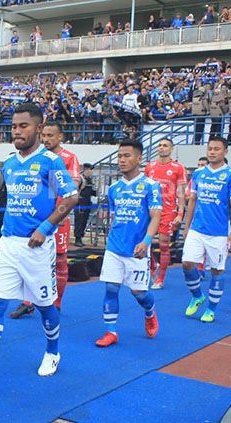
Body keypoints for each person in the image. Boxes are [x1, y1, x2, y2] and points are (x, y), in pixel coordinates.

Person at [0, 103, 78, 385]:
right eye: (13, 126)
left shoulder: (50, 161)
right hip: (9, 246)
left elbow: (71, 197)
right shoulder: (9, 164)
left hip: (36, 247)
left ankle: (53, 352)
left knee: (45, 306)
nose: (17, 131)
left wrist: (45, 228)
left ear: (38, 128)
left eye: (24, 126)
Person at [95, 141, 161, 347]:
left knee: (139, 294)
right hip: (114, 248)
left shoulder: (150, 186)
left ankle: (150, 313)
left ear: (139, 158)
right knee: (111, 288)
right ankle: (111, 332)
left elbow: (156, 216)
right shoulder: (114, 189)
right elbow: (115, 217)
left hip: (137, 251)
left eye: (126, 156)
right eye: (119, 156)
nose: (121, 160)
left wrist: (146, 242)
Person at [10, 122, 80, 318]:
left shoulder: (68, 158)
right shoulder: (36, 157)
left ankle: (56, 302)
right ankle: (27, 301)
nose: (46, 139)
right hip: (35, 220)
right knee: (29, 257)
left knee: (59, 259)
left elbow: (72, 189)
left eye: (51, 135)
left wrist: (59, 216)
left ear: (60, 138)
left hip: (58, 219)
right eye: (44, 135)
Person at [181, 136, 231, 323]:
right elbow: (193, 200)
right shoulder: (198, 174)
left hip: (219, 233)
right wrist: (186, 225)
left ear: (225, 151)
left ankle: (211, 309)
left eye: (217, 149)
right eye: (210, 148)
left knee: (217, 271)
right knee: (187, 264)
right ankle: (197, 296)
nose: (212, 152)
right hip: (197, 229)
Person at [144, 138, 186, 289]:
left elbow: (181, 193)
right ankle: (151, 266)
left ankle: (160, 278)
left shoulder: (178, 168)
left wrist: (180, 214)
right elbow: (145, 189)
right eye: (160, 145)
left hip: (168, 211)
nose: (161, 148)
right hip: (150, 209)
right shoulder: (150, 167)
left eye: (165, 145)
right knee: (145, 241)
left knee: (163, 245)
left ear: (171, 148)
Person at [73, 163, 95, 248]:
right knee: (79, 221)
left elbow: (91, 192)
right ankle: (77, 239)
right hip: (80, 204)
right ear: (85, 169)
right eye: (89, 169)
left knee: (84, 221)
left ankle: (80, 237)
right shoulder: (80, 179)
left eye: (91, 170)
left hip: (87, 203)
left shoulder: (89, 180)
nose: (91, 171)